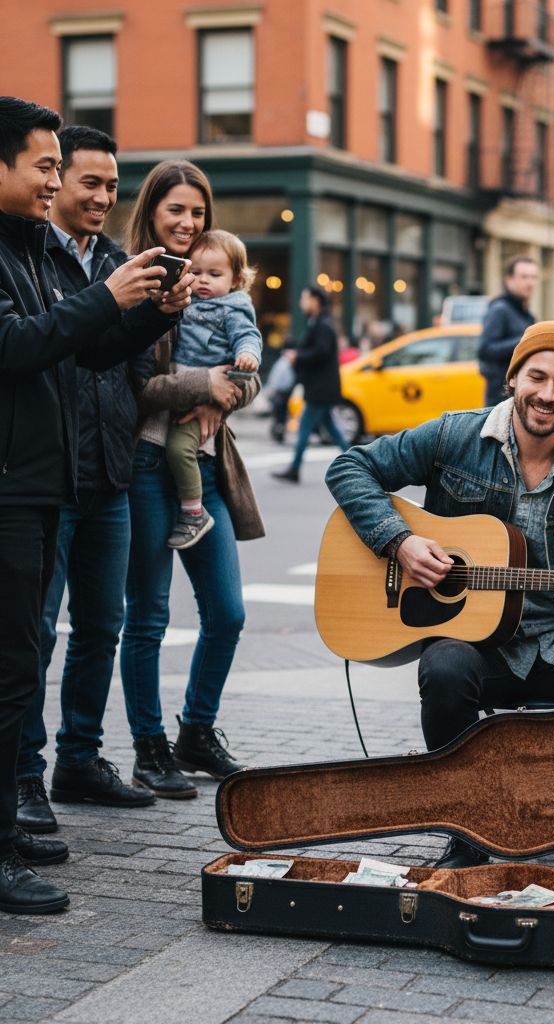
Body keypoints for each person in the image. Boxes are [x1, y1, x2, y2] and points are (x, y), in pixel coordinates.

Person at [325, 321, 554, 867]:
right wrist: (401, 542)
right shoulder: (454, 436)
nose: (548, 395)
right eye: (537, 377)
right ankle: (467, 832)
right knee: (444, 669)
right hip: (474, 641)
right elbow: (349, 467)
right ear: (513, 377)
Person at [0, 98, 192, 913]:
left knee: (19, 668)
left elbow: (87, 349)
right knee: (13, 669)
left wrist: (148, 311)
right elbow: (14, 346)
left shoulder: (40, 249)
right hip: (10, 488)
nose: (53, 181)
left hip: (52, 484)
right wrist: (104, 298)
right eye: (44, 166)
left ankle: (13, 825)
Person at [15, 125, 164, 837]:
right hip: (45, 476)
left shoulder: (115, 259)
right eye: (85, 181)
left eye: (112, 185)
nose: (103, 196)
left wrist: (154, 316)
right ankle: (23, 783)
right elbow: (36, 344)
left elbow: (103, 355)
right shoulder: (34, 251)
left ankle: (78, 759)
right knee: (30, 639)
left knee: (102, 626)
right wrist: (111, 298)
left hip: (108, 473)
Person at [120, 159, 263, 801]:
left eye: (197, 211)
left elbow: (249, 369)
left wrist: (224, 395)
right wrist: (204, 384)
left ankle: (195, 732)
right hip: (146, 466)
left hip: (207, 471)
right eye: (176, 209)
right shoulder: (134, 280)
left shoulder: (216, 281)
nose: (187, 221)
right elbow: (132, 387)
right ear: (151, 210)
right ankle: (149, 747)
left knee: (227, 614)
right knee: (147, 616)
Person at [164, 229, 262, 548]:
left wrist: (247, 355)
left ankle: (193, 512)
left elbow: (248, 335)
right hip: (183, 388)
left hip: (206, 392)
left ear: (235, 280)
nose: (203, 280)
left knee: (179, 448)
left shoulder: (231, 307)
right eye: (196, 272)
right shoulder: (184, 300)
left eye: (214, 274)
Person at [271, 283, 346, 483]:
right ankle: (362, 462)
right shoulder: (318, 322)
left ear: (315, 301)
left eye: (304, 298)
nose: (301, 302)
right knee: (332, 428)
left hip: (321, 388)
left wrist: (297, 356)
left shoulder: (323, 324)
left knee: (305, 426)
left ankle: (294, 469)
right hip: (320, 387)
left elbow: (321, 351)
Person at [478, 255, 538, 407]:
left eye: (533, 277)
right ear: (509, 280)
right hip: (500, 396)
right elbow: (485, 350)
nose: (530, 282)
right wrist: (526, 340)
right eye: (524, 277)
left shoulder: (526, 314)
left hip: (519, 392)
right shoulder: (500, 309)